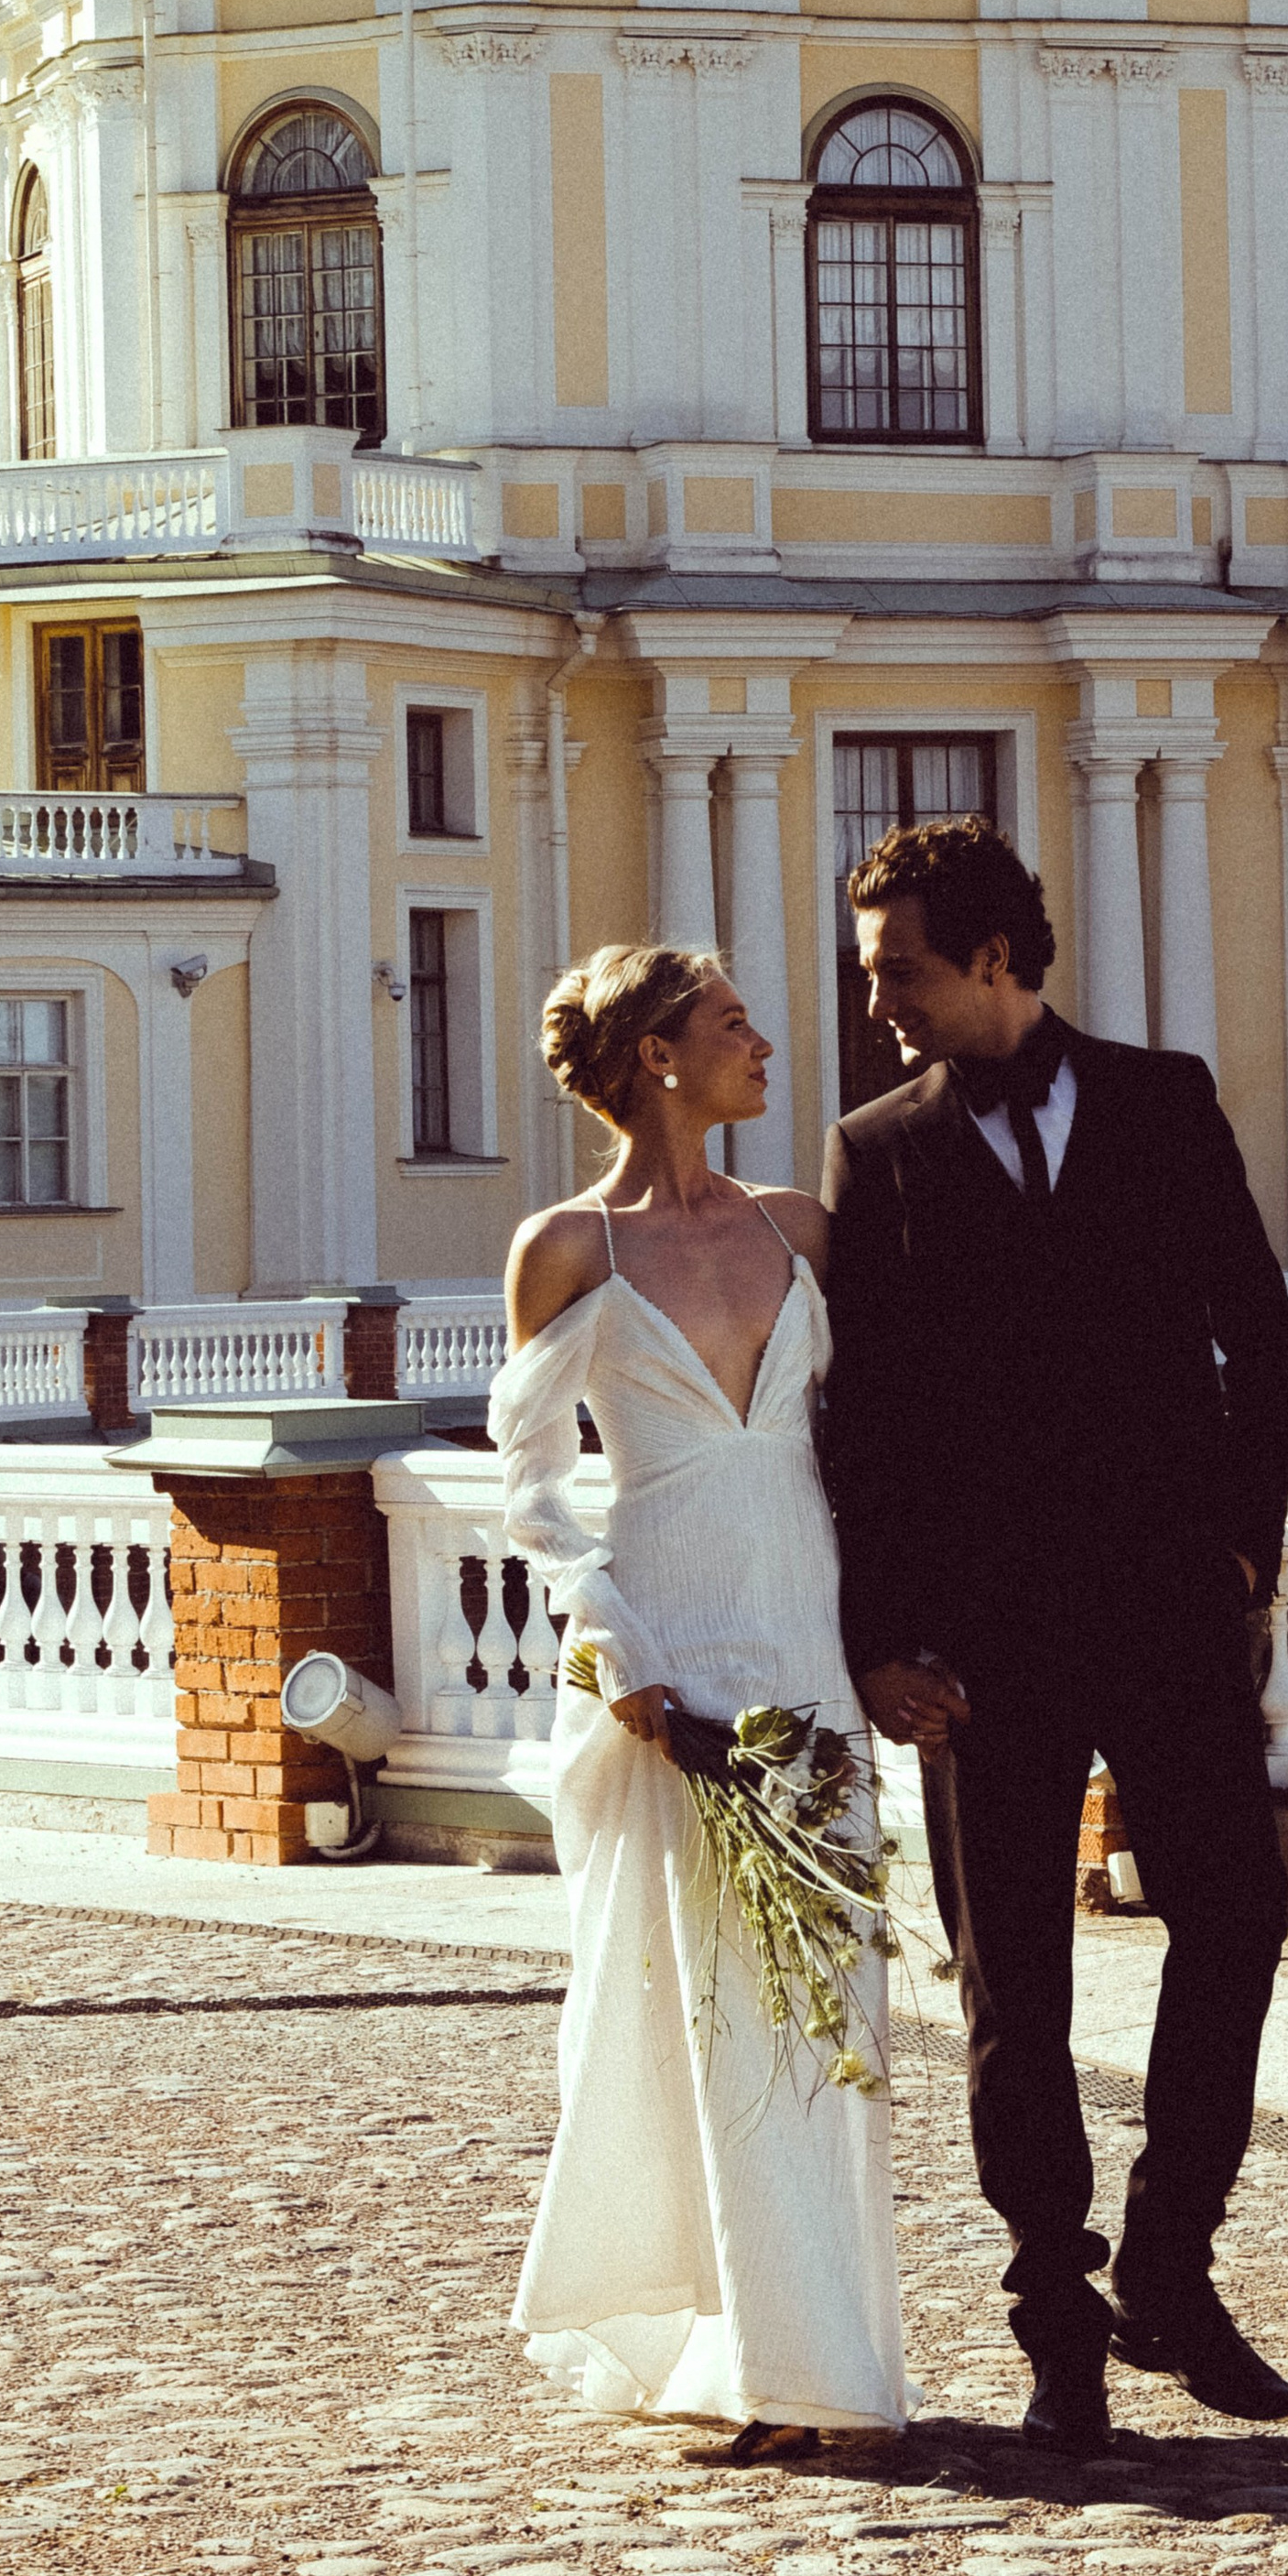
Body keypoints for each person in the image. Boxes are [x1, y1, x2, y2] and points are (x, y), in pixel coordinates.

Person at [821, 818, 1288, 2456]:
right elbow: (863, 1416)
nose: (875, 998)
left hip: (1171, 1604)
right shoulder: (875, 1146)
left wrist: (1247, 1538)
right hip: (984, 1643)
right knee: (1012, 1983)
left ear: (995, 959)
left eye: (897, 969)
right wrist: (882, 1635)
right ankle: (1057, 2316)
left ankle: (1174, 2264)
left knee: (1234, 1915)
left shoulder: (1168, 1101)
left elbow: (1261, 1327)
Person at [488, 941, 909, 2454]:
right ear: (659, 1055)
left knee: (821, 2001)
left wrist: (894, 1636)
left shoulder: (804, 1229)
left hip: (800, 1631)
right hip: (670, 1650)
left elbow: (877, 1447)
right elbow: (533, 1495)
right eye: (734, 1022)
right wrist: (621, 1654)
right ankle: (739, 2355)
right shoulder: (570, 1251)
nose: (765, 1041)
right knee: (695, 2012)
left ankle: (830, 2360)